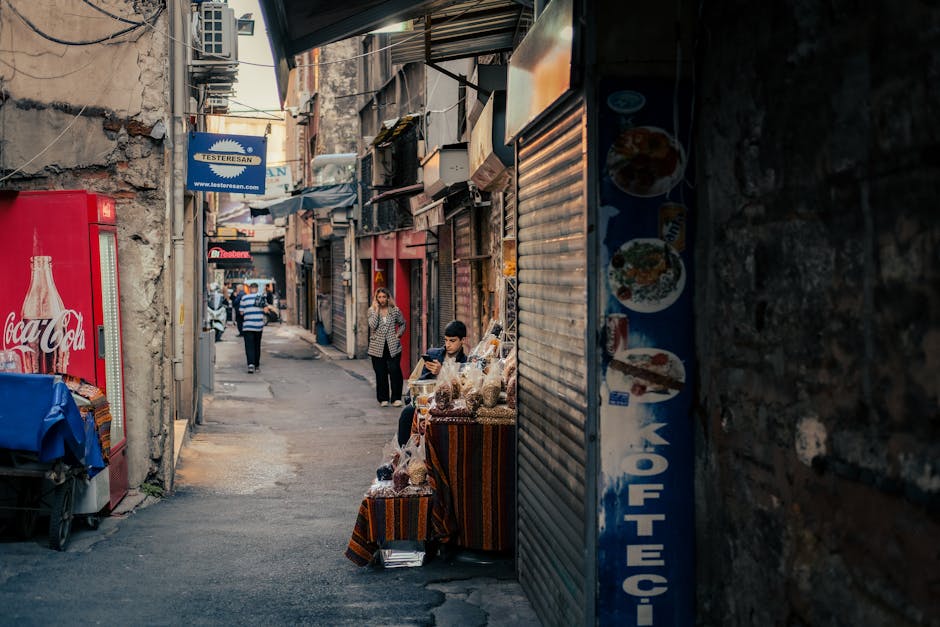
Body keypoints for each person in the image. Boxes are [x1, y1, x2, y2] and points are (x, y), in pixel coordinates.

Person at [396, 319, 468, 447]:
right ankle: (403, 453)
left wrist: (442, 371)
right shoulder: (433, 354)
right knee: (407, 413)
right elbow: (417, 378)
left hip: (448, 401)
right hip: (425, 398)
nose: (448, 345)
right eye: (446, 340)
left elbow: (462, 385)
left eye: (452, 341)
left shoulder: (465, 363)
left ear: (463, 340)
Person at [367, 287, 407, 407]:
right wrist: (377, 310)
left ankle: (396, 398)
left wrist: (398, 334)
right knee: (380, 373)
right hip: (377, 347)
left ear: (388, 298)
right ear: (376, 298)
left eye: (384, 297)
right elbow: (372, 325)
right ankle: (383, 398)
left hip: (392, 345)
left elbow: (402, 323)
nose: (382, 299)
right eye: (379, 297)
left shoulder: (394, 310)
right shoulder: (372, 310)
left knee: (395, 371)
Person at [239, 283, 275, 373]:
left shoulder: (244, 298)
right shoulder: (261, 298)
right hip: (258, 326)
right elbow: (266, 310)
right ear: (257, 289)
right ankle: (257, 366)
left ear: (250, 289)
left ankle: (250, 365)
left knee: (249, 346)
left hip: (247, 326)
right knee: (257, 345)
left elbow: (241, 312)